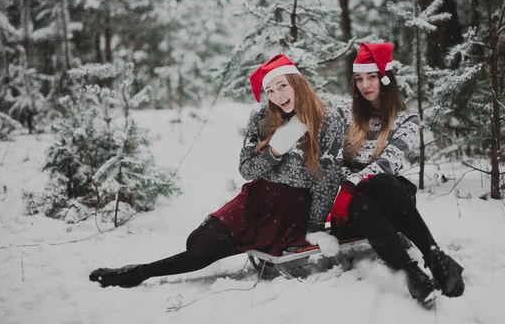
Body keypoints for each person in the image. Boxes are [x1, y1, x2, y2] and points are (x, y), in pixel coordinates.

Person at [89, 54, 343, 288]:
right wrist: (273, 152)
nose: (277, 95)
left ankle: (138, 274)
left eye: (282, 86)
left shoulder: (328, 118)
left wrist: (314, 226)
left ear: (297, 82)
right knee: (198, 243)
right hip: (258, 197)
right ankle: (137, 271)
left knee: (216, 248)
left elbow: (328, 178)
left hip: (292, 207)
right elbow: (246, 169)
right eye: (270, 90)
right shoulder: (262, 118)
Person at [329, 42, 465, 307]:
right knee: (363, 200)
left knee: (379, 179)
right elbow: (331, 160)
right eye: (359, 79)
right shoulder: (343, 114)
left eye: (372, 77)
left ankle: (433, 256)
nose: (365, 85)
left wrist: (356, 180)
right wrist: (349, 183)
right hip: (349, 207)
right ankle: (411, 272)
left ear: (386, 79)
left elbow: (390, 161)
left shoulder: (406, 120)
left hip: (389, 200)